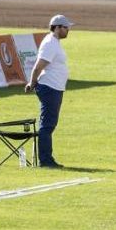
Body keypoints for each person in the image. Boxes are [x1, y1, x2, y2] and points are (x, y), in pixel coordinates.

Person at [24, 14, 74, 168]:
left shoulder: (54, 42)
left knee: (49, 124)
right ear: (57, 27)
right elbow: (38, 66)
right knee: (47, 125)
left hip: (54, 87)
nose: (68, 30)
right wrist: (32, 83)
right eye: (66, 28)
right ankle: (45, 160)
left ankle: (46, 159)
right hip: (49, 87)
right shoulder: (50, 43)